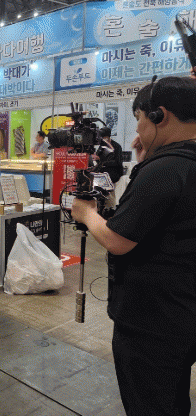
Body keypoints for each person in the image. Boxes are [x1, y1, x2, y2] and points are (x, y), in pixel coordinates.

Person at [71, 76, 196, 416]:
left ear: (160, 115)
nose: (138, 128)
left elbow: (118, 240)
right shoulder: (182, 162)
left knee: (150, 403)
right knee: (172, 399)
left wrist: (87, 214)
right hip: (183, 310)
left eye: (140, 118)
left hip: (151, 321)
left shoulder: (166, 168)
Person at [90, 127, 123, 210]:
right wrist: (96, 158)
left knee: (108, 192)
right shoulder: (102, 146)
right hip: (103, 172)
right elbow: (100, 161)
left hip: (113, 172)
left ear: (108, 137)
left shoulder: (116, 146)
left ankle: (110, 208)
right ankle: (100, 206)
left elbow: (117, 163)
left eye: (104, 138)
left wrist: (100, 159)